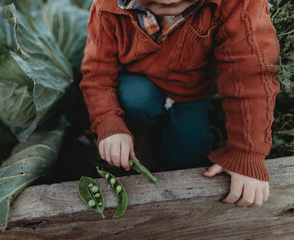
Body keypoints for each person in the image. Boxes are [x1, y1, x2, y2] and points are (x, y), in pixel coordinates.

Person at [79, 0, 280, 208]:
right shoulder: (108, 6)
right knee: (137, 100)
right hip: (137, 85)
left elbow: (249, 74)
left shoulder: (239, 4)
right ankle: (139, 132)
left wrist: (246, 153)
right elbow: (97, 72)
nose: (168, 0)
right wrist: (109, 121)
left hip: (190, 93)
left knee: (188, 157)